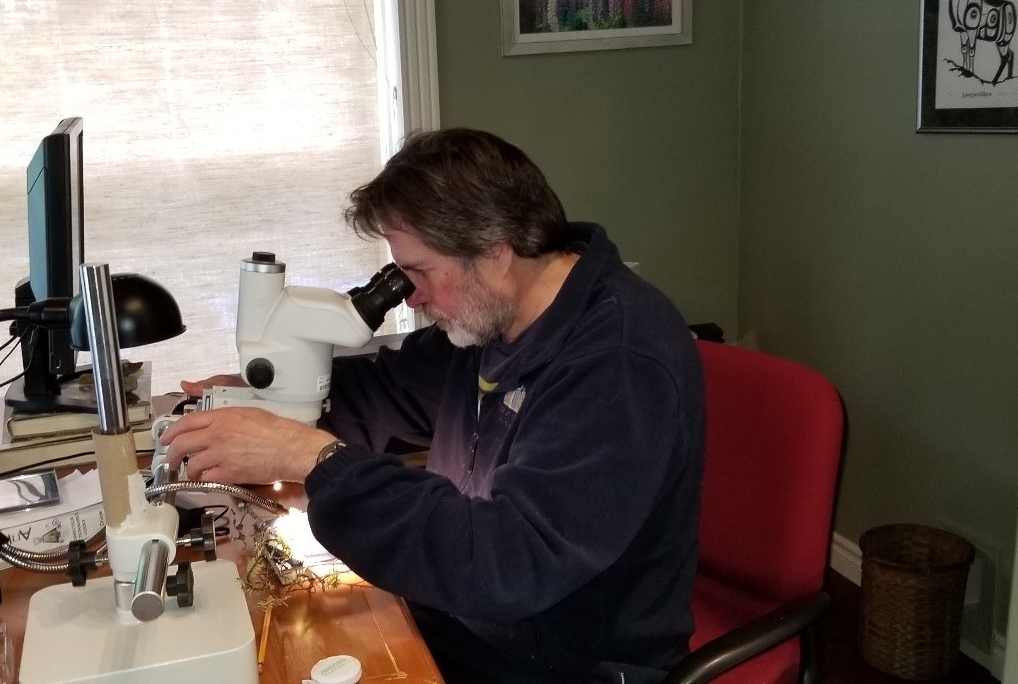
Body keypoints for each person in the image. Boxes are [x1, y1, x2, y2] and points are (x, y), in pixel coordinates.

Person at [162, 128, 703, 683]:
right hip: (462, 625)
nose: (412, 297)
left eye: (419, 271)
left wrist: (315, 457)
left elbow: (507, 564)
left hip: (564, 663)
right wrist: (282, 400)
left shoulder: (617, 362)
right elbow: (389, 388)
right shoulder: (495, 320)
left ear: (494, 252)